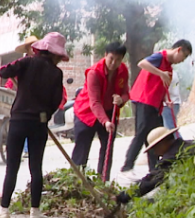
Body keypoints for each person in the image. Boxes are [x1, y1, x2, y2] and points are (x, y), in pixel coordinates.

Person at [0, 32, 69, 218]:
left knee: (12, 167)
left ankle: (4, 209)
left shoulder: (27, 62)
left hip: (19, 120)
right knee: (35, 167)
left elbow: (3, 72)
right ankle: (35, 212)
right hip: (39, 123)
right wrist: (45, 114)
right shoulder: (56, 73)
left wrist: (17, 67)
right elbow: (56, 101)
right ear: (55, 54)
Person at [120, 39, 192, 180]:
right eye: (183, 57)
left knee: (156, 138)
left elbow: (162, 86)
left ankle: (154, 171)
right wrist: (160, 73)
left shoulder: (169, 68)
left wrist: (166, 99)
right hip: (145, 99)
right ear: (179, 50)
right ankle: (127, 166)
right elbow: (142, 63)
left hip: (155, 104)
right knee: (142, 133)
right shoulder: (160, 57)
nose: (181, 61)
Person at [70, 42, 129, 178]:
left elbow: (126, 93)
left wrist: (121, 99)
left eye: (118, 60)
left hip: (109, 111)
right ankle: (77, 182)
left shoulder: (123, 70)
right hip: (86, 113)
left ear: (122, 59)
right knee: (82, 150)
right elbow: (95, 102)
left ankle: (102, 182)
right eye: (111, 58)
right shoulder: (94, 72)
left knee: (107, 149)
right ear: (105, 56)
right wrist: (105, 122)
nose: (114, 63)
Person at [116, 127, 193, 205]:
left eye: (154, 149)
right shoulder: (189, 145)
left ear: (162, 143)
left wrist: (124, 196)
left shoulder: (171, 158)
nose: (155, 153)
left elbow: (150, 181)